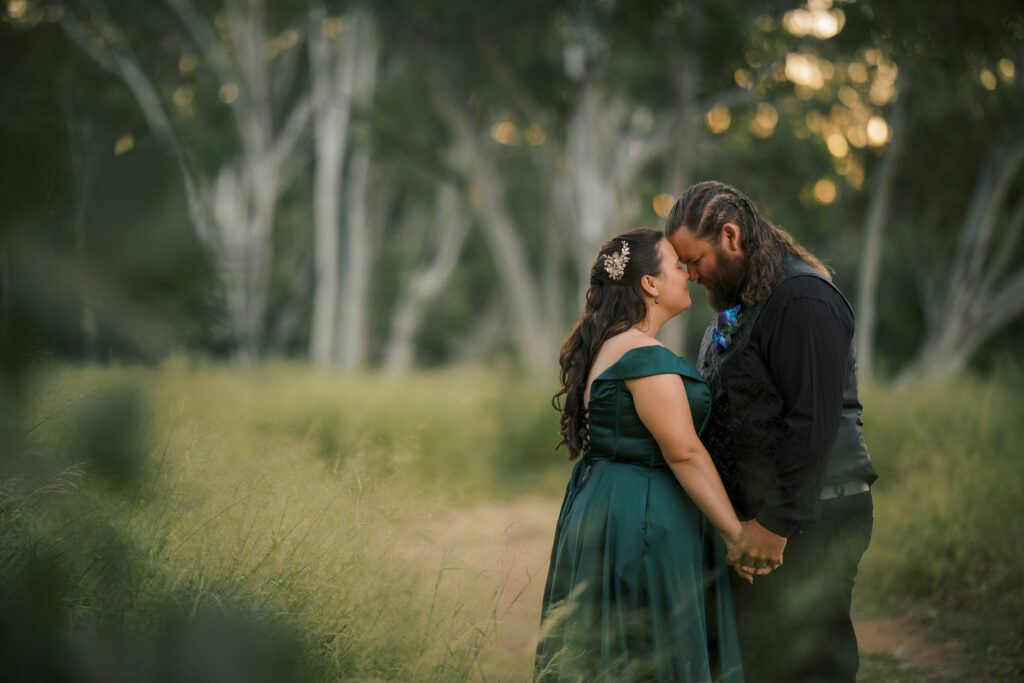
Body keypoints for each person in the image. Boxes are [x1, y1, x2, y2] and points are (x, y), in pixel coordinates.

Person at [665, 181, 878, 682]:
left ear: (731, 237)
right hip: (768, 520)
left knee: (810, 665)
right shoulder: (745, 297)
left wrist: (777, 523)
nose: (689, 275)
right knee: (763, 664)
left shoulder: (803, 298)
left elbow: (814, 421)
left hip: (814, 518)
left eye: (694, 260)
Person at [535, 228, 751, 682]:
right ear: (650, 284)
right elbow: (685, 452)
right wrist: (738, 537)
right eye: (677, 266)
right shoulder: (643, 355)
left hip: (607, 507)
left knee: (615, 652)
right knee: (652, 650)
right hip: (644, 521)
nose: (687, 275)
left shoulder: (608, 345)